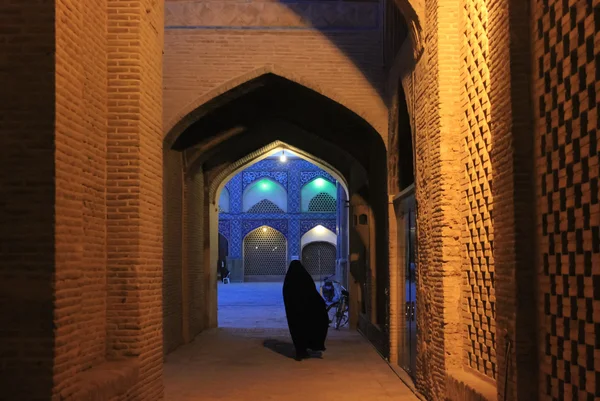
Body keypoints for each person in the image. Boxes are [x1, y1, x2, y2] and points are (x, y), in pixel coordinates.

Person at [282, 260, 329, 360]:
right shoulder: (305, 278)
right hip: (306, 312)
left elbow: (286, 296)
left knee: (297, 331)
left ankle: (300, 351)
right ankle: (308, 348)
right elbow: (313, 294)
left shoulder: (288, 281)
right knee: (307, 328)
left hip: (294, 313)